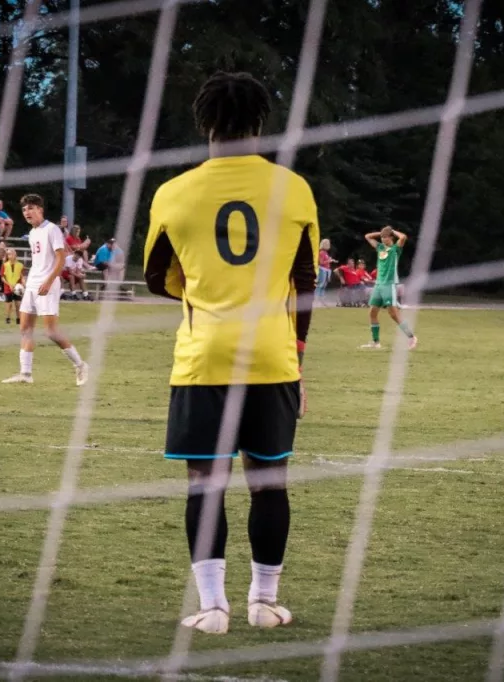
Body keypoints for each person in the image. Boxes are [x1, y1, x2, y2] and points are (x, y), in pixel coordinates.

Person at [143, 71, 318, 635]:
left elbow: (155, 277)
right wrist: (297, 356)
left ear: (205, 124)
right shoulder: (294, 189)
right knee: (269, 482)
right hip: (272, 357)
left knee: (204, 482)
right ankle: (264, 603)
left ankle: (213, 608)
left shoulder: (173, 192)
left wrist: (203, 290)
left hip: (204, 359)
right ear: (260, 122)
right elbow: (306, 281)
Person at [1, 193, 88, 386]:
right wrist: (26, 280)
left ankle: (80, 365)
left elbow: (60, 259)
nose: (27, 212)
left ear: (40, 209)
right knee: (25, 329)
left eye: (31, 208)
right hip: (33, 284)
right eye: (24, 209)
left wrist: (49, 281)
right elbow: (39, 261)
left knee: (51, 332)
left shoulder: (52, 229)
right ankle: (25, 373)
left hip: (48, 284)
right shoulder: (33, 233)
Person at [359, 226, 416, 350]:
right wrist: (381, 232)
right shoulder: (380, 247)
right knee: (372, 313)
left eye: (385, 237)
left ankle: (411, 337)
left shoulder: (395, 249)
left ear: (391, 237)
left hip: (389, 285)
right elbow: (367, 236)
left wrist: (392, 231)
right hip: (378, 285)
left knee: (393, 314)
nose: (383, 239)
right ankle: (376, 342)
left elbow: (403, 237)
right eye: (382, 237)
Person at [1, 247, 24, 325]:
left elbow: (21, 276)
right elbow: (2, 278)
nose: (10, 256)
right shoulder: (5, 265)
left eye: (11, 254)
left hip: (17, 287)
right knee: (9, 304)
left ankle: (18, 318)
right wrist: (9, 285)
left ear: (15, 255)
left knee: (18, 304)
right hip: (8, 287)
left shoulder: (20, 265)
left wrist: (23, 284)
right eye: (8, 254)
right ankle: (7, 318)